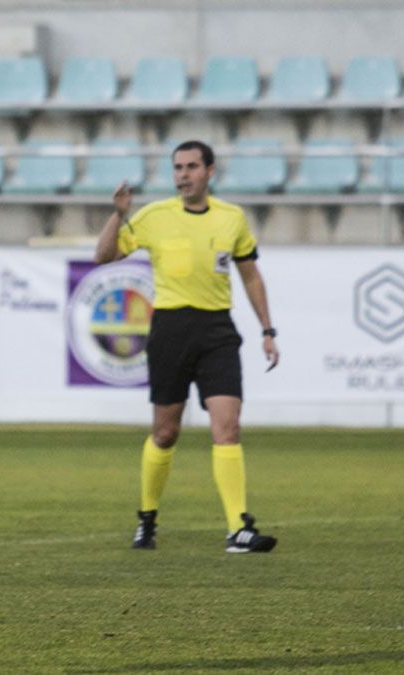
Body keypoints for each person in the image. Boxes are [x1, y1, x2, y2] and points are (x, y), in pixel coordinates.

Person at [92, 140, 280, 554]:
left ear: (210, 171)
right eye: (178, 167)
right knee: (165, 431)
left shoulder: (232, 219)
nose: (183, 174)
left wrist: (268, 329)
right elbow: (103, 255)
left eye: (192, 166)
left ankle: (238, 529)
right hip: (171, 330)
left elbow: (250, 276)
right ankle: (147, 518)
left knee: (227, 428)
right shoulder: (154, 216)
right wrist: (118, 215)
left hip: (217, 330)